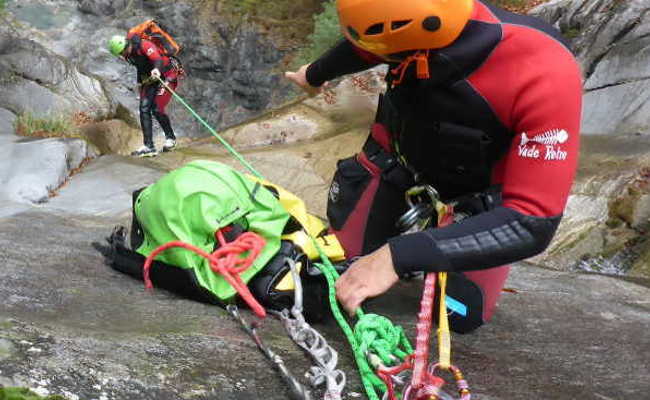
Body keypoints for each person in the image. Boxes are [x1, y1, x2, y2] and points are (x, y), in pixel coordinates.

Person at [285, 0, 583, 332]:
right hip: (395, 164)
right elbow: (369, 46)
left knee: (458, 314)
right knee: (330, 280)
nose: (388, 58)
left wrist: (398, 256)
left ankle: (427, 249)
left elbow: (532, 220)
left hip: (479, 197)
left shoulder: (544, 68)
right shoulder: (398, 27)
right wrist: (314, 74)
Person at [108, 34, 179, 157]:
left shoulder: (144, 45)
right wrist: (140, 84)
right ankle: (148, 146)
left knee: (156, 108)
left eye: (122, 52)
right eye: (120, 54)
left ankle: (170, 138)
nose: (122, 55)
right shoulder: (128, 55)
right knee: (144, 108)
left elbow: (157, 59)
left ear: (126, 45)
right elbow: (140, 68)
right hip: (150, 79)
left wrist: (156, 69)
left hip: (167, 74)